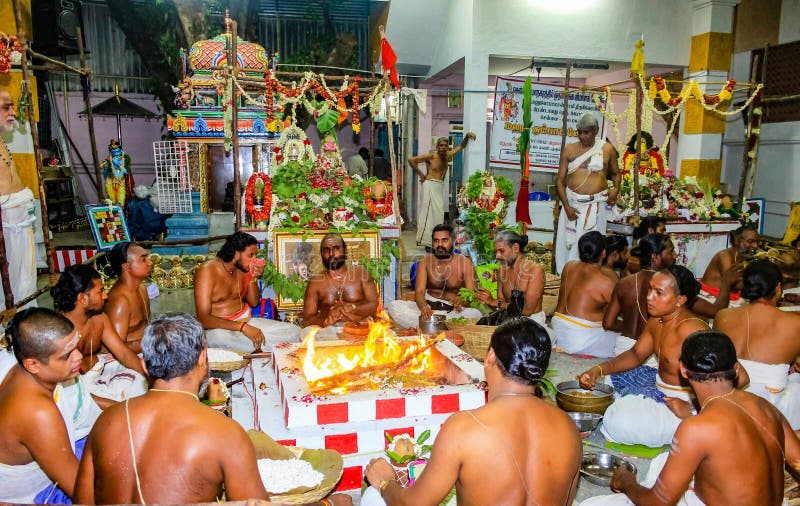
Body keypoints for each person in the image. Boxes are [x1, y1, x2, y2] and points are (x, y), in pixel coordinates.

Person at [73, 312, 353, 506]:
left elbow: (82, 500)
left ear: (144, 365)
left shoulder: (106, 421)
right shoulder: (224, 433)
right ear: (203, 360)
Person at [363, 318, 581, 506]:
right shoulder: (569, 428)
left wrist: (385, 482)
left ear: (490, 357)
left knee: (372, 497)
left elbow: (412, 504)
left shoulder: (462, 428)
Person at [583, 331, 800, 506]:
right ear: (735, 368)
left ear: (684, 371)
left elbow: (658, 502)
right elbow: (797, 463)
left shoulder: (696, 429)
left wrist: (627, 482)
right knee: (663, 463)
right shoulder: (765, 406)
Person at [578, 265, 714, 447]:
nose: (649, 297)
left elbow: (737, 377)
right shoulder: (657, 320)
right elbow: (636, 355)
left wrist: (692, 408)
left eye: (659, 293)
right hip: (658, 386)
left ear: (680, 300)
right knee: (610, 377)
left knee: (619, 423)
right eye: (650, 289)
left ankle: (693, 422)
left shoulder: (694, 331)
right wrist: (599, 369)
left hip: (682, 402)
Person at [0, 308, 83, 503]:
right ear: (33, 365)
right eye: (66, 355)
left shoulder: (12, 359)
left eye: (77, 346)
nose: (79, 356)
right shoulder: (38, 413)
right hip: (34, 495)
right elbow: (80, 492)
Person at [713, 259, 800, 428]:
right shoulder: (795, 324)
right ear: (778, 288)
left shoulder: (722, 316)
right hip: (773, 408)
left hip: (730, 400)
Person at [194, 232, 301, 352]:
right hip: (220, 330)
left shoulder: (243, 269)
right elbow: (203, 318)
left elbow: (254, 302)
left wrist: (253, 277)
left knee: (295, 332)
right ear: (235, 254)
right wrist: (242, 327)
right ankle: (261, 348)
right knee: (219, 339)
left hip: (247, 322)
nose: (254, 260)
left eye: (256, 255)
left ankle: (253, 349)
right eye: (250, 255)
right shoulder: (207, 271)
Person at [555, 113, 620, 274]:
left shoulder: (607, 149)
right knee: (566, 246)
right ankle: (566, 276)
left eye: (586, 132)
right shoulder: (569, 149)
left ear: (596, 131)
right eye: (579, 132)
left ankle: (590, 279)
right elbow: (560, 180)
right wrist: (567, 206)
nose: (582, 136)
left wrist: (616, 190)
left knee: (593, 247)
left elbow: (617, 174)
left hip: (595, 206)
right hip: (572, 206)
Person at [387, 224, 482, 329]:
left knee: (475, 314)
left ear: (453, 241)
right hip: (429, 309)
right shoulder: (424, 262)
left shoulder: (465, 263)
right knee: (394, 306)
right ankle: (442, 327)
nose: (439, 244)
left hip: (453, 312)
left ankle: (432, 327)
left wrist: (461, 300)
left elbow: (471, 294)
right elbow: (419, 291)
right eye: (436, 241)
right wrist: (423, 307)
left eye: (444, 240)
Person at [604, 233, 676, 354]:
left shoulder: (623, 282)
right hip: (649, 353)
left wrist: (628, 324)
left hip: (622, 350)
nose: (674, 255)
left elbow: (608, 323)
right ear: (655, 257)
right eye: (670, 252)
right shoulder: (667, 284)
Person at [0, 90, 38, 311]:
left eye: (13, 106)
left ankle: (23, 325)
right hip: (5, 224)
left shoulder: (2, 141)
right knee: (7, 285)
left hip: (18, 221)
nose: (13, 112)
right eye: (6, 107)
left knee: (24, 281)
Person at [551, 231, 618, 357]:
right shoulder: (604, 282)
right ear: (603, 253)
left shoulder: (568, 266)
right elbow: (618, 316)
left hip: (558, 329)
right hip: (581, 338)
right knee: (626, 342)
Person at [409, 133, 476, 248]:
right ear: (437, 146)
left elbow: (461, 146)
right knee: (428, 214)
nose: (443, 148)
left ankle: (435, 240)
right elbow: (411, 160)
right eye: (441, 145)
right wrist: (421, 175)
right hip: (429, 185)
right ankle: (426, 242)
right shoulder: (431, 156)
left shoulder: (448, 155)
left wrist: (467, 136)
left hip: (439, 187)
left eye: (445, 145)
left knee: (439, 214)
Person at [302, 233, 378, 331]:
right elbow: (307, 320)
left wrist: (353, 308)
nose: (331, 254)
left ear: (345, 251)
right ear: (321, 254)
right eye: (326, 250)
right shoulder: (315, 283)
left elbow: (375, 306)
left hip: (361, 330)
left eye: (336, 248)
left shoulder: (361, 275)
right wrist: (325, 321)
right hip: (328, 333)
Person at [475, 230, 547, 328]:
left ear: (515, 248)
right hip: (509, 321)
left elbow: (526, 311)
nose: (497, 256)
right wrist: (487, 299)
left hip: (532, 323)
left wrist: (494, 301)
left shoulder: (535, 270)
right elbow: (501, 306)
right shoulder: (502, 270)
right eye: (496, 252)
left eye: (501, 251)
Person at [104, 242, 154, 353]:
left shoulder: (142, 289)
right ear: (126, 266)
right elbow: (116, 349)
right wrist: (154, 343)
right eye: (143, 260)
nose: (150, 263)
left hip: (146, 350)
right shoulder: (120, 301)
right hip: (121, 361)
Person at [698, 224, 759, 308]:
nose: (755, 246)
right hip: (710, 297)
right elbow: (734, 283)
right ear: (737, 240)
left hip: (729, 296)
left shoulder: (744, 256)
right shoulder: (724, 256)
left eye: (757, 242)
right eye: (750, 241)